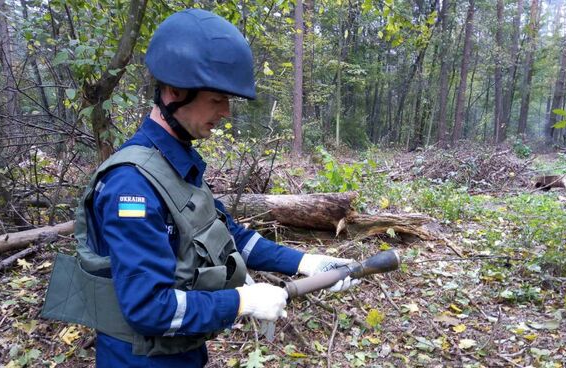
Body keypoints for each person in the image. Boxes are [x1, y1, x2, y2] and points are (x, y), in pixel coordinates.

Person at [41, 8, 358, 367]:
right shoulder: (130, 187)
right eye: (216, 99)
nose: (226, 112)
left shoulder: (173, 164)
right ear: (175, 91)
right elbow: (149, 307)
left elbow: (228, 234)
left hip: (181, 352)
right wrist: (243, 302)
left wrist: (308, 263)